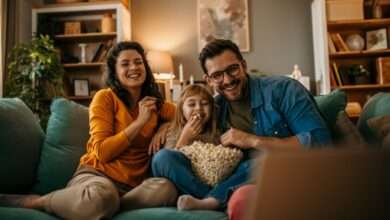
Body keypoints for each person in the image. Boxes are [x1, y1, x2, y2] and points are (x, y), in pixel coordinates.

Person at [0, 41, 177, 219]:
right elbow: (102, 152)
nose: (134, 67)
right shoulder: (105, 98)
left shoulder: (154, 103)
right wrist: (139, 122)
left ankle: (110, 206)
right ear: (115, 71)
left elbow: (183, 115)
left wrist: (165, 126)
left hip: (133, 189)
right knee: (101, 198)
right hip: (97, 177)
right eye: (125, 64)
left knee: (166, 188)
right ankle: (38, 202)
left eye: (138, 62)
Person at [152, 39, 331, 212]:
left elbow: (320, 141)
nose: (228, 80)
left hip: (280, 172)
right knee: (162, 159)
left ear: (243, 66)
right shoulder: (215, 107)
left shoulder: (283, 90)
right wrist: (162, 127)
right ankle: (212, 199)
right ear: (209, 80)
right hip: (230, 178)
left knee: (259, 160)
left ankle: (214, 199)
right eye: (217, 75)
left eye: (232, 69)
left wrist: (252, 141)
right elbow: (183, 123)